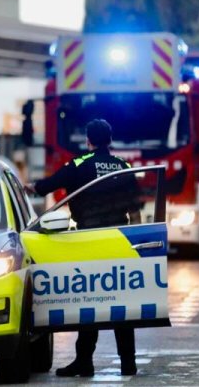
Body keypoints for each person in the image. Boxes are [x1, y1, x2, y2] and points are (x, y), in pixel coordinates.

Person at [24, 119, 140, 377]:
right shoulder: (123, 167)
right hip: (120, 241)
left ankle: (84, 361)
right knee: (122, 303)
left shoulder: (79, 164)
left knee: (91, 300)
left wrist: (31, 187)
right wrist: (137, 245)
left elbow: (49, 185)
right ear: (109, 140)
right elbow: (135, 210)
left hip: (88, 240)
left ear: (88, 140)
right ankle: (128, 363)